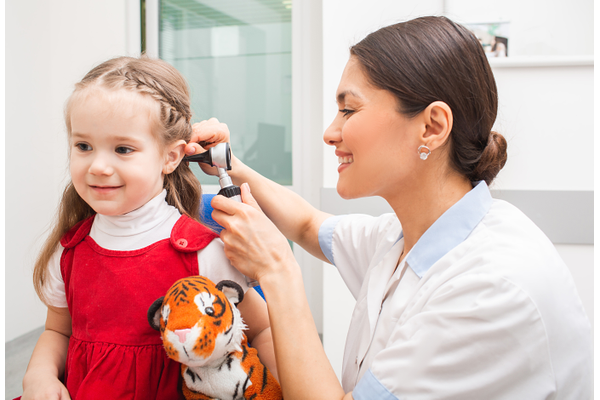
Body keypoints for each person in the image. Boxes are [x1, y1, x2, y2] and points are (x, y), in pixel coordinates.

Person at [185, 16, 592, 400]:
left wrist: (277, 270)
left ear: (432, 127)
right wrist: (230, 164)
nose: (330, 132)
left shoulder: (491, 291)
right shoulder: (404, 238)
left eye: (349, 109)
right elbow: (308, 226)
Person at [21, 55, 276, 400]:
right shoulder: (69, 250)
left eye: (123, 149)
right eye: (83, 146)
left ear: (171, 157)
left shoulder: (203, 253)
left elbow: (261, 330)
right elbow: (58, 332)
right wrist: (38, 375)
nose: (97, 166)